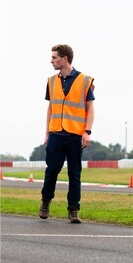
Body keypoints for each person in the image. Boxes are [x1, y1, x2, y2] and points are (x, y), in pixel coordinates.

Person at [39, 43, 95, 224]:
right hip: (56, 132)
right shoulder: (51, 81)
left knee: (74, 173)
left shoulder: (85, 80)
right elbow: (50, 108)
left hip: (75, 134)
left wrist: (87, 131)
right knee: (52, 170)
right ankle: (45, 202)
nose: (51, 61)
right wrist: (47, 132)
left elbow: (90, 108)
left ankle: (73, 209)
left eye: (54, 57)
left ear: (65, 59)